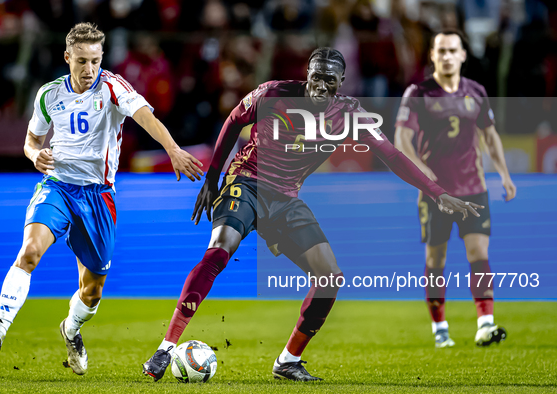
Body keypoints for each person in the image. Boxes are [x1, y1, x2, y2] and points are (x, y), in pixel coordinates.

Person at [142, 47, 481, 382]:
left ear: (342, 82)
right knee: (219, 250)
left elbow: (392, 156)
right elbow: (233, 120)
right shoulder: (273, 93)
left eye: (329, 81)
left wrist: (438, 194)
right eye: (315, 77)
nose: (320, 86)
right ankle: (167, 347)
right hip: (247, 182)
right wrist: (212, 179)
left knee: (330, 277)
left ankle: (288, 360)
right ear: (307, 74)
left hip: (287, 198)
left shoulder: (350, 115)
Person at [0, 23, 203, 375]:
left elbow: (144, 116)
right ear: (67, 57)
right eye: (81, 60)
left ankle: (71, 329)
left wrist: (172, 149)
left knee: (91, 291)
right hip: (58, 186)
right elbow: (31, 140)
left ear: (102, 58)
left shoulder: (112, 87)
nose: (88, 68)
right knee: (29, 252)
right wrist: (35, 156)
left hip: (98, 196)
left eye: (95, 60)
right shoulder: (48, 95)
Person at [394, 30, 516, 348]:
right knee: (436, 260)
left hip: (474, 188)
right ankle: (440, 328)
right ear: (432, 56)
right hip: (436, 193)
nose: (447, 56)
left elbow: (490, 135)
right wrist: (422, 171)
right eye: (441, 51)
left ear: (463, 55)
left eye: (453, 50)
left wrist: (504, 173)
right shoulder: (417, 93)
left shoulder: (476, 92)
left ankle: (485, 324)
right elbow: (401, 139)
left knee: (479, 252)